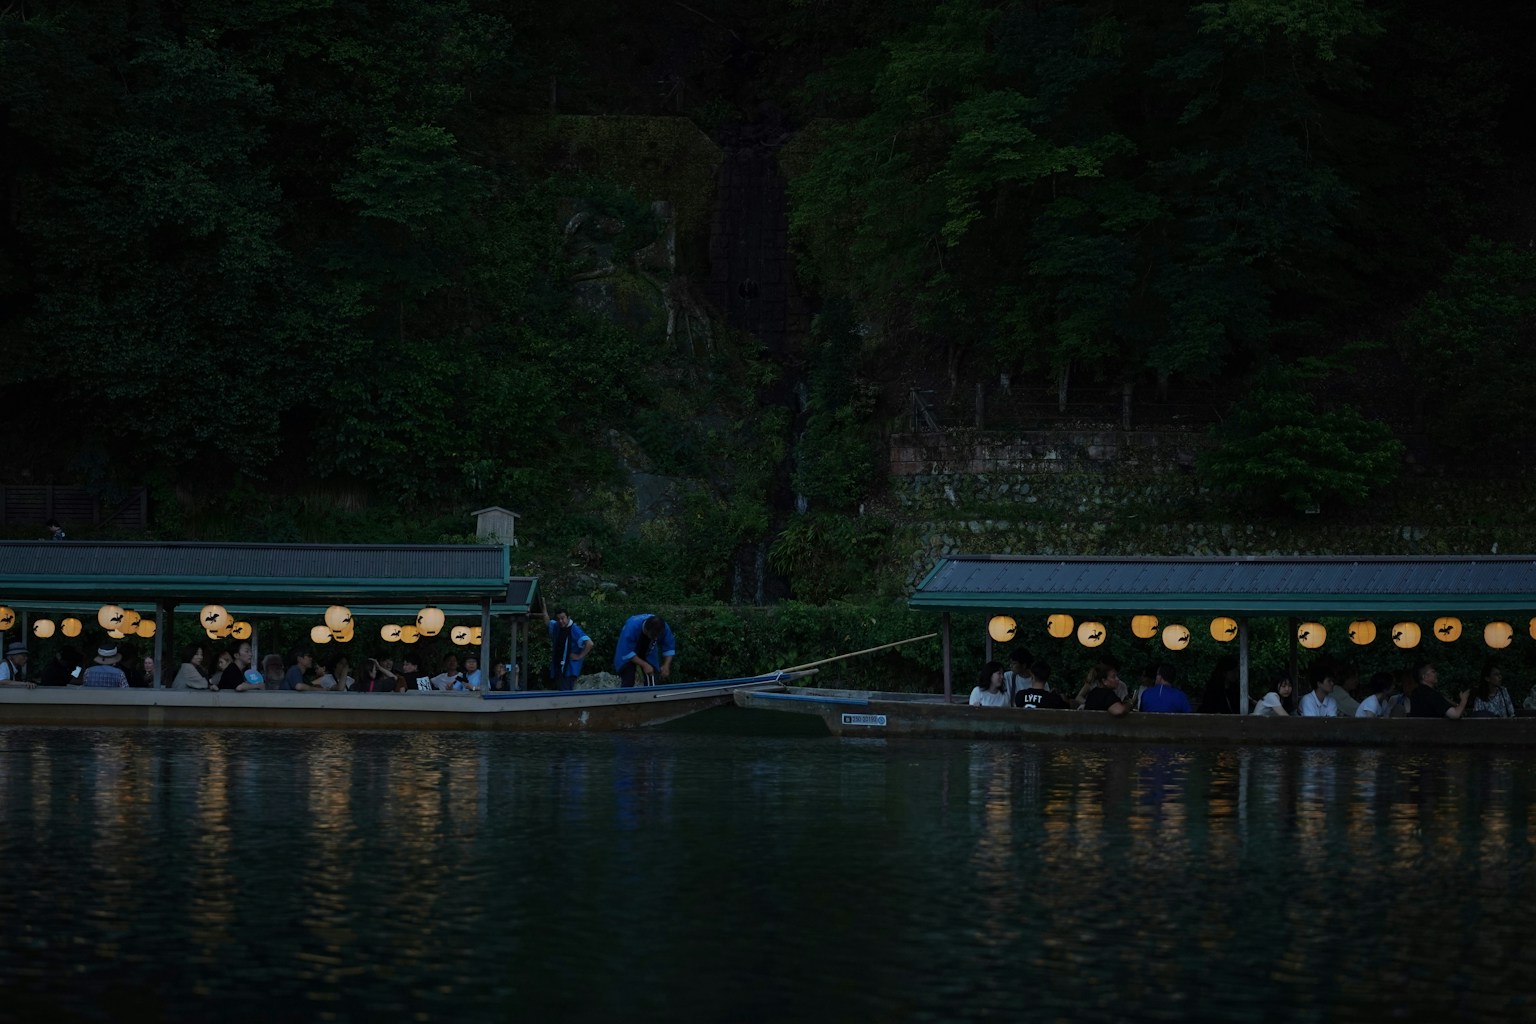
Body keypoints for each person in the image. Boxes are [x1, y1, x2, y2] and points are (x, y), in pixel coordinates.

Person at [614, 614, 675, 687]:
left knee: (652, 674)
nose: (655, 638)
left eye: (657, 636)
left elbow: (669, 646)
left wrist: (666, 665)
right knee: (628, 678)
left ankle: (652, 695)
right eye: (653, 636)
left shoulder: (664, 627)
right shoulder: (631, 627)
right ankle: (624, 696)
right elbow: (627, 652)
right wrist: (644, 665)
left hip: (648, 651)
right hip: (627, 650)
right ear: (646, 629)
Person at [542, 606, 595, 691]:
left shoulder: (574, 629)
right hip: (560, 668)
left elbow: (589, 643)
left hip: (569, 670)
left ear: (568, 617)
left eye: (562, 618)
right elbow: (548, 622)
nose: (560, 621)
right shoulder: (557, 626)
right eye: (558, 619)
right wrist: (544, 608)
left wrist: (579, 656)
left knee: (565, 694)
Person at [1403, 662, 1469, 719]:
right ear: (1424, 677)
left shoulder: (1415, 693)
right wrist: (1464, 699)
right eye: (1433, 672)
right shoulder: (1432, 694)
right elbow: (1455, 715)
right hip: (1433, 732)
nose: (1436, 674)